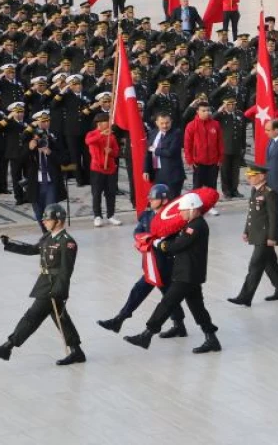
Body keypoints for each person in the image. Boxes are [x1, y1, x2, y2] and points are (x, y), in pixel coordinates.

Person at [0, 204, 85, 366]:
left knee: (31, 317)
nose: (44, 221)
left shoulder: (68, 243)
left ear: (58, 221)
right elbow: (31, 249)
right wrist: (9, 244)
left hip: (53, 288)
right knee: (61, 319)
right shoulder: (47, 237)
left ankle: (7, 347)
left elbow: (66, 271)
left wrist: (59, 292)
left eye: (48, 219)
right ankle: (77, 352)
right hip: (45, 284)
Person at [123, 193, 221, 354]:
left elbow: (177, 246)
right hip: (190, 273)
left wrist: (159, 243)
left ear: (192, 209)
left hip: (187, 274)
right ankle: (212, 339)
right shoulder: (191, 223)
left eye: (183, 210)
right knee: (197, 307)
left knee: (167, 303)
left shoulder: (195, 226)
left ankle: (146, 335)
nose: (181, 213)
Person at [96, 185, 187, 337]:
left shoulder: (173, 218)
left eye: (154, 198)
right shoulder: (147, 215)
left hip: (164, 264)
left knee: (139, 290)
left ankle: (120, 319)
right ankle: (179, 325)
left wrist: (157, 240)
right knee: (169, 295)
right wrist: (144, 239)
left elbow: (176, 241)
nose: (150, 200)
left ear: (164, 200)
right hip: (151, 260)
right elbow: (138, 231)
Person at [228, 165, 278, 307]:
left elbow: (274, 217)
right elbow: (252, 214)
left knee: (255, 266)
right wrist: (246, 231)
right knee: (270, 264)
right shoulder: (255, 190)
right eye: (248, 176)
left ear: (262, 176)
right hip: (257, 234)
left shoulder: (270, 193)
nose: (249, 178)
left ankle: (245, 297)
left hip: (265, 236)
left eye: (252, 176)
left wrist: (272, 237)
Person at [184, 102, 223, 215]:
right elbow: (187, 144)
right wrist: (190, 160)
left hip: (213, 161)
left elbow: (220, 142)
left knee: (212, 185)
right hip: (198, 161)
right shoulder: (191, 125)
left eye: (208, 110)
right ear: (198, 112)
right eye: (204, 110)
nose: (207, 113)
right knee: (198, 186)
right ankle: (196, 207)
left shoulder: (215, 124)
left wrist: (220, 158)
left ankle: (210, 206)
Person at [85, 112, 122, 227]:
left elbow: (116, 152)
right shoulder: (91, 134)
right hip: (97, 168)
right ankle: (97, 216)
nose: (110, 123)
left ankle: (111, 215)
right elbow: (89, 142)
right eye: (107, 121)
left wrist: (111, 152)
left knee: (111, 193)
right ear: (99, 124)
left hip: (110, 169)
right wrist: (102, 134)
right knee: (96, 193)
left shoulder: (112, 136)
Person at [143, 113, 185, 199]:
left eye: (167, 123)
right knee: (158, 200)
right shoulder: (153, 133)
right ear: (157, 123)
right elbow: (148, 152)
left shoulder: (176, 133)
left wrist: (155, 149)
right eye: (162, 123)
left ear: (171, 122)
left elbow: (170, 152)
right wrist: (146, 170)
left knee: (172, 201)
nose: (165, 126)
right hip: (157, 173)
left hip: (172, 174)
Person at [214, 97, 247, 199]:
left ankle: (234, 189)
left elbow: (243, 131)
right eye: (229, 104)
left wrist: (243, 146)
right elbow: (212, 118)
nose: (231, 106)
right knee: (225, 171)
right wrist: (220, 109)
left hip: (237, 147)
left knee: (235, 171)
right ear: (225, 105)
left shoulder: (239, 114)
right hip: (225, 147)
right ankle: (226, 191)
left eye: (233, 104)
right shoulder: (222, 115)